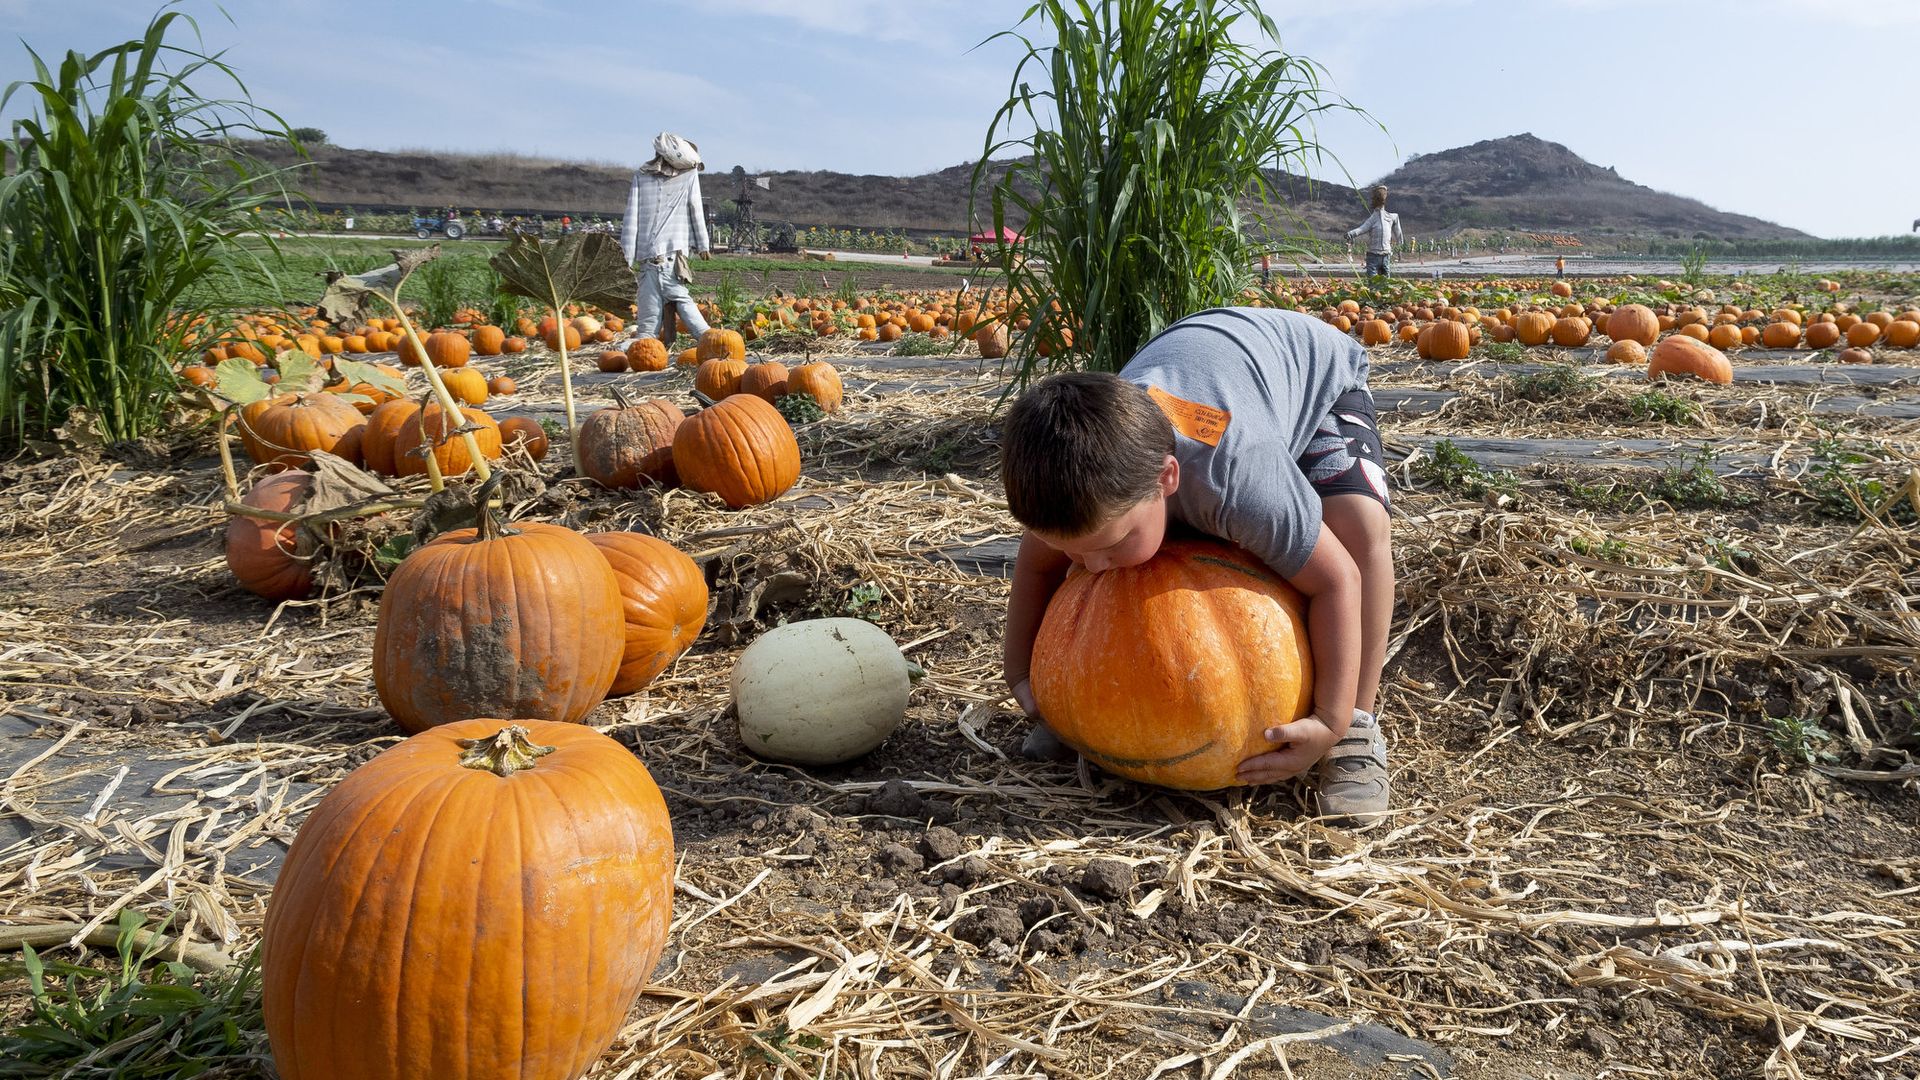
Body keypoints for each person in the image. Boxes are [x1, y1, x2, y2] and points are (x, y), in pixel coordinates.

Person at [998, 307, 1394, 823]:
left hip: (1315, 375)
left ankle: (1360, 733)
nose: (1092, 568)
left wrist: (1332, 718)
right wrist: (1025, 678)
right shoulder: (1084, 481)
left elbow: (1337, 580)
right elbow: (1034, 571)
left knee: (1358, 528)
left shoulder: (1237, 480)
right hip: (1201, 366)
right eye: (1075, 552)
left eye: (1110, 545)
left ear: (1166, 480)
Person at [619, 132, 713, 345]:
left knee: (669, 302)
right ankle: (708, 339)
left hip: (658, 258)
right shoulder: (644, 177)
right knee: (666, 303)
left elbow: (695, 209)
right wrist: (702, 244)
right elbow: (632, 217)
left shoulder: (685, 176)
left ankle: (708, 339)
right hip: (658, 258)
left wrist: (627, 257)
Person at [1345, 185, 1403, 279]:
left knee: (1382, 283)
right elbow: (1361, 229)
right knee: (1376, 282)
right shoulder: (1374, 219)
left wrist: (1400, 242)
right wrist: (1350, 234)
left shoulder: (1391, 217)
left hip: (1384, 255)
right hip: (1375, 256)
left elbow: (1398, 232)